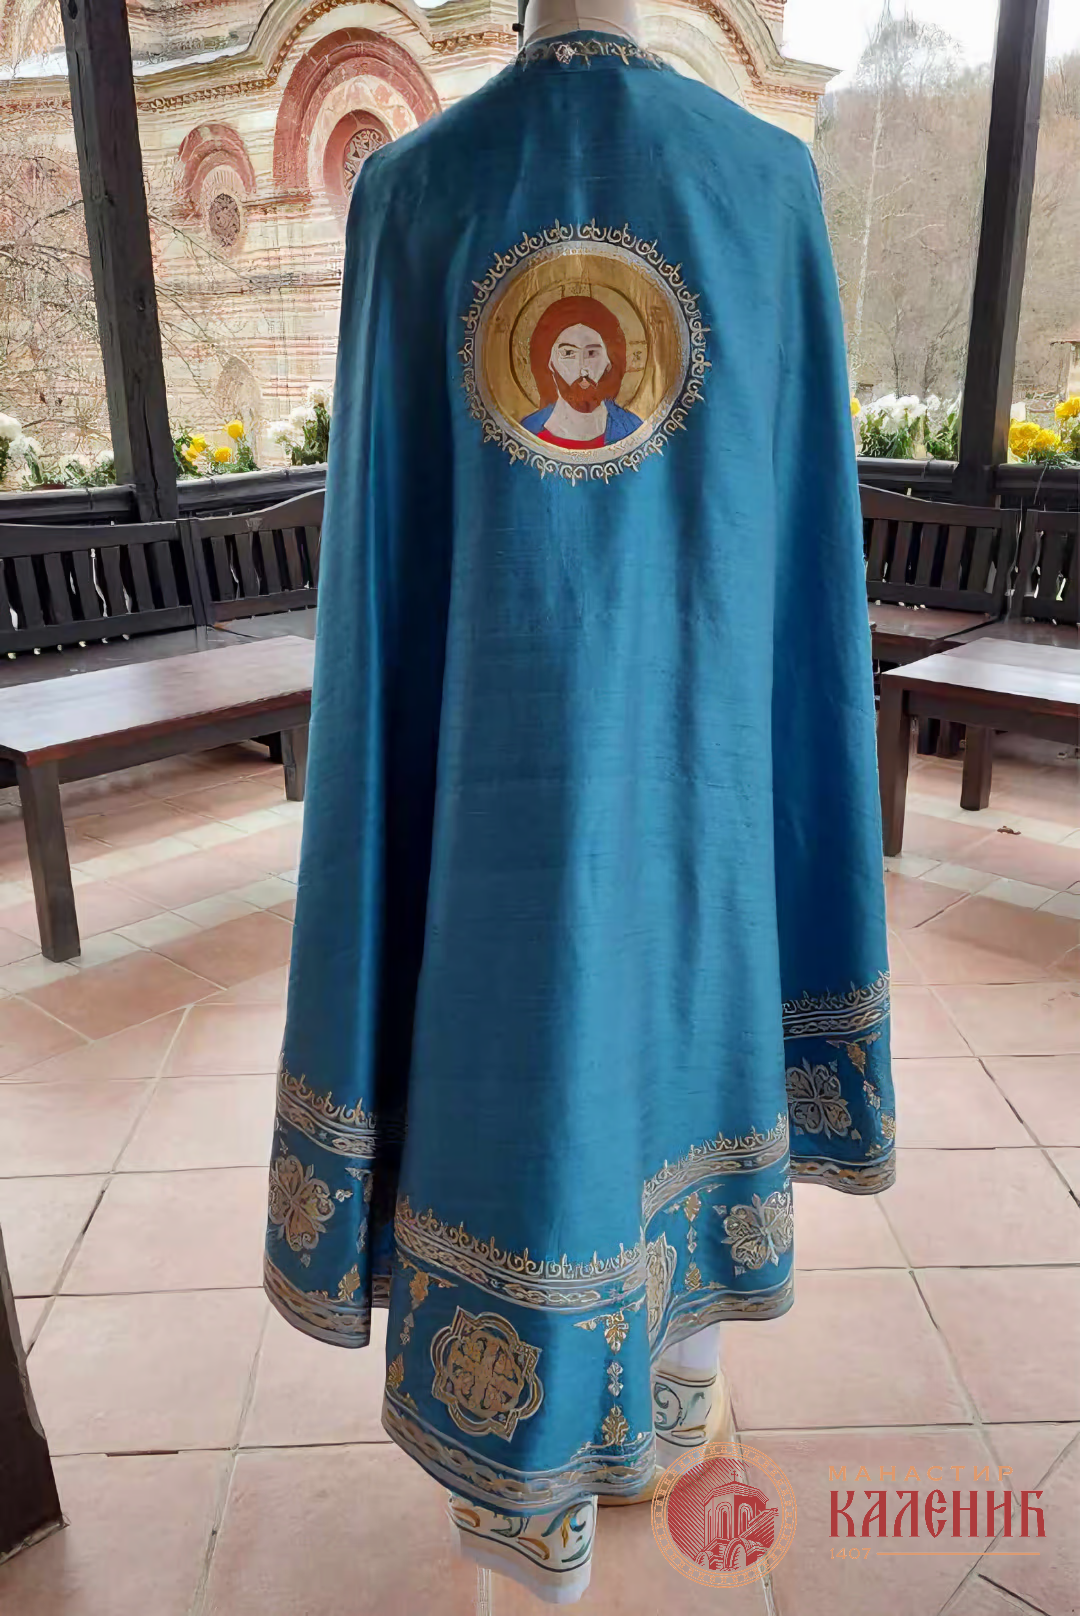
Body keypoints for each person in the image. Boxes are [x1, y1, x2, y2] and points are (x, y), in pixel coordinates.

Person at [263, 19, 894, 1607]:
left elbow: (389, 593)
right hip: (697, 800)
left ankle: (546, 1514)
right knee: (666, 1066)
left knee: (524, 1097)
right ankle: (645, 1424)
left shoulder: (418, 189)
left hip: (489, 818)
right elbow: (788, 584)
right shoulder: (760, 183)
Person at [521, 295, 643, 447]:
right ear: (550, 362)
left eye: (592, 353)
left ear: (608, 362)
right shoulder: (526, 433)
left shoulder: (633, 431)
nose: (583, 369)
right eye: (568, 353)